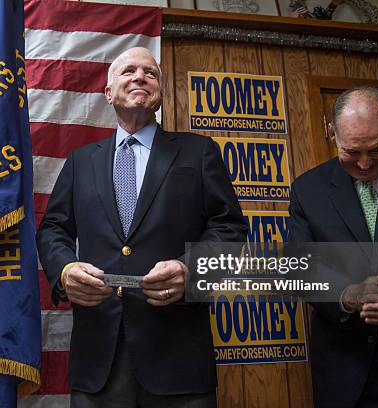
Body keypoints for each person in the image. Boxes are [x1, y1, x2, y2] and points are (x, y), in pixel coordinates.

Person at [36, 47, 247, 407]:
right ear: (108, 93)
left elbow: (230, 229)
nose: (139, 77)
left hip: (178, 357)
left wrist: (191, 270)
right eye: (128, 71)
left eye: (150, 72)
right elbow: (52, 228)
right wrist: (65, 270)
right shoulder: (80, 162)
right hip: (99, 357)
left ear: (160, 92)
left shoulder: (199, 153)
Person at [288, 86, 378, 407]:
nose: (365, 164)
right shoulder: (306, 190)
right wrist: (348, 294)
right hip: (348, 374)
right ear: (332, 133)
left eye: (377, 149)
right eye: (352, 152)